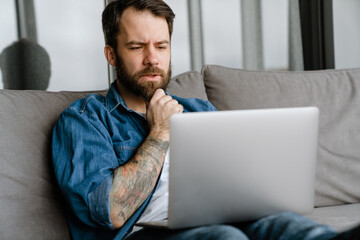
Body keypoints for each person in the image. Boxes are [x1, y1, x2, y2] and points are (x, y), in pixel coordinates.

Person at [52, 0, 359, 239]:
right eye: (136, 47)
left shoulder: (197, 109)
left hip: (222, 217)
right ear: (111, 54)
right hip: (144, 232)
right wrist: (160, 132)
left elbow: (238, 182)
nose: (152, 59)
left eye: (161, 46)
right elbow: (111, 211)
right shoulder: (84, 120)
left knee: (288, 225)